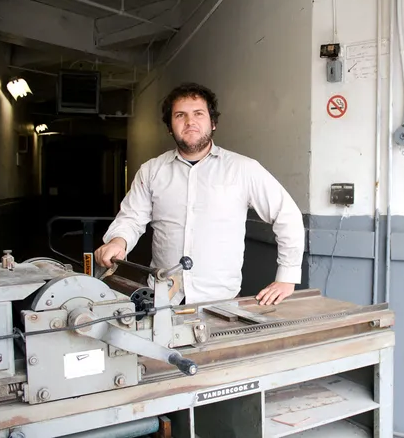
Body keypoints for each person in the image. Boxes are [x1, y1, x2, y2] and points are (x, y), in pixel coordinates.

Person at [94, 82, 305, 306]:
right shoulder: (151, 170)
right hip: (162, 298)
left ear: (212, 122)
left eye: (198, 114)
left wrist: (287, 278)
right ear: (169, 126)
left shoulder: (243, 169)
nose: (190, 122)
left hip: (220, 300)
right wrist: (119, 241)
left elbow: (287, 214)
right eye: (180, 115)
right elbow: (132, 218)